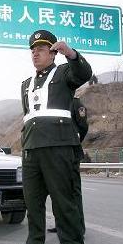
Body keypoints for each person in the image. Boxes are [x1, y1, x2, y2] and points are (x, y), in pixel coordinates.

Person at [20, 29, 92, 244]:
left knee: (63, 198)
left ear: (52, 53)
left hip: (59, 146)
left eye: (41, 49)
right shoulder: (25, 84)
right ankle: (34, 240)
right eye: (33, 50)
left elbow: (84, 73)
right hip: (32, 148)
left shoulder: (64, 73)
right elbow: (29, 116)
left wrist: (70, 53)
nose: (35, 54)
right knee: (33, 200)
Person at [48, 97, 88, 234]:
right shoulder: (52, 102)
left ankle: (79, 227)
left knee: (73, 191)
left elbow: (83, 126)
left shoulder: (75, 102)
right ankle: (61, 224)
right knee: (57, 190)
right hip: (54, 152)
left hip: (71, 151)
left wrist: (74, 141)